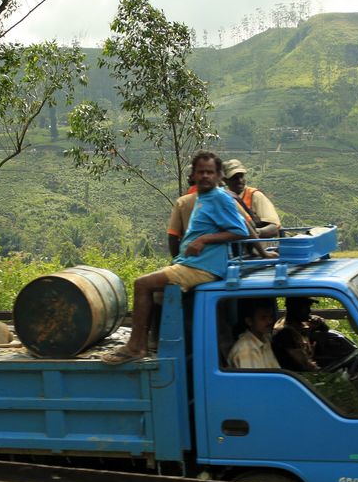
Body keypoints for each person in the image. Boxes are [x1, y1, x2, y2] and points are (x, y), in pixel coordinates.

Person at [103, 152, 249, 365]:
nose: (205, 176)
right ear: (194, 174)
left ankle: (136, 346)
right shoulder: (202, 197)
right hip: (192, 263)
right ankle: (156, 342)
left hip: (202, 268)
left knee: (142, 284)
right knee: (157, 293)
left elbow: (240, 231)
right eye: (201, 172)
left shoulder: (219, 197)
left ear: (219, 176)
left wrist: (204, 240)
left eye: (210, 172)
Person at [222, 159, 281, 239]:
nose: (240, 181)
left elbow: (274, 228)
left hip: (255, 249)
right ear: (225, 180)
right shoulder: (223, 198)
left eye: (241, 176)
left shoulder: (255, 196)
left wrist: (254, 232)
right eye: (234, 178)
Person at [228, 299, 280, 369]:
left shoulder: (265, 339)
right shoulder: (246, 350)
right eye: (263, 318)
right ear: (249, 321)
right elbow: (256, 380)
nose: (269, 322)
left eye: (271, 317)